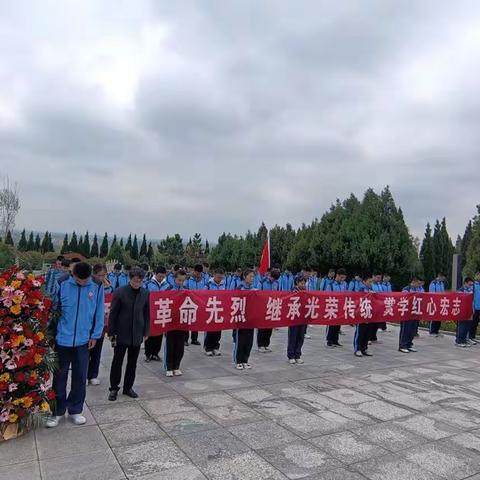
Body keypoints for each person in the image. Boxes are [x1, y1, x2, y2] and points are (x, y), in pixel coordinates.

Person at [46, 262, 104, 428]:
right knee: (59, 377)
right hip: (62, 339)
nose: (83, 284)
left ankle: (75, 410)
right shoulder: (62, 283)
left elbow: (99, 312)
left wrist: (95, 335)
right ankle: (56, 411)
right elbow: (53, 309)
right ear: (73, 275)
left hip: (84, 340)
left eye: (86, 281)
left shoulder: (97, 285)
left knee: (80, 377)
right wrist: (51, 334)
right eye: (80, 281)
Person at [108, 267, 150, 401]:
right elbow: (113, 314)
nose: (137, 283)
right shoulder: (120, 292)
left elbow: (147, 313)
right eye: (135, 280)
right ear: (130, 279)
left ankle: (128, 387)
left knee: (133, 363)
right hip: (121, 333)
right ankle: (114, 388)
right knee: (117, 361)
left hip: (137, 333)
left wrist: (146, 331)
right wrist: (111, 333)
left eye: (140, 281)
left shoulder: (145, 293)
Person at [87, 264, 111, 386]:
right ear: (93, 274)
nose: (102, 277)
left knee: (97, 352)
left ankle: (93, 375)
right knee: (86, 353)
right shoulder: (88, 284)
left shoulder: (105, 285)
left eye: (104, 275)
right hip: (87, 324)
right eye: (100, 275)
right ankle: (85, 375)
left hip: (100, 322)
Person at [164, 269, 187, 377]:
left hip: (182, 322)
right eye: (179, 280)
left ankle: (177, 366)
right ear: (174, 279)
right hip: (170, 322)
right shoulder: (169, 289)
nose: (180, 282)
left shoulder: (187, 290)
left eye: (182, 280)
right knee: (170, 345)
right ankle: (169, 367)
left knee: (180, 346)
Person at [144, 266, 169, 362]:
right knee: (150, 333)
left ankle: (155, 353)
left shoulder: (167, 285)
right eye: (159, 276)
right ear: (155, 274)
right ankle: (148, 353)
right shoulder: (148, 284)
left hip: (162, 311)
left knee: (159, 333)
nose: (161, 278)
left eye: (163, 277)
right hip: (150, 311)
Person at [233, 269, 255, 369]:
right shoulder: (240, 287)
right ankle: (238, 361)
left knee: (249, 340)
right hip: (241, 318)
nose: (252, 278)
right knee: (241, 340)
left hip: (250, 318)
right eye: (250, 276)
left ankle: (245, 360)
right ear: (245, 276)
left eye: (253, 276)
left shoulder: (253, 289)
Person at [257, 268, 281, 352]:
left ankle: (266, 344)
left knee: (269, 327)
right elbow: (258, 294)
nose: (273, 280)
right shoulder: (262, 282)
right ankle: (260, 345)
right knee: (262, 327)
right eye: (272, 278)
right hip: (263, 307)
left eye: (275, 279)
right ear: (270, 275)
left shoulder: (276, 283)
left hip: (272, 307)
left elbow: (278, 294)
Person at [204, 268, 227, 356]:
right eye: (218, 277)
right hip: (210, 308)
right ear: (214, 275)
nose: (219, 279)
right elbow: (204, 295)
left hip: (220, 309)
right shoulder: (208, 284)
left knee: (218, 330)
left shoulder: (224, 283)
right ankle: (208, 347)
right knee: (210, 329)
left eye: (221, 277)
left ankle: (216, 347)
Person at [184, 264, 207, 345]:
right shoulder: (188, 278)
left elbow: (206, 289)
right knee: (187, 321)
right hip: (189, 302)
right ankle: (185, 339)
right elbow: (184, 288)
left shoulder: (204, 279)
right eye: (197, 273)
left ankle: (194, 339)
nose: (198, 275)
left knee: (196, 321)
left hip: (199, 303)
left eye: (199, 273)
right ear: (194, 271)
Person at [287, 274, 308, 364]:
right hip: (294, 317)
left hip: (303, 318)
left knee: (300, 337)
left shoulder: (306, 292)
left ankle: (298, 354)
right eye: (301, 283)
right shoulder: (293, 291)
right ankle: (291, 355)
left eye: (304, 283)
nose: (303, 285)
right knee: (293, 337)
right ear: (297, 283)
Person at [398, 276, 421, 353]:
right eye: (418, 283)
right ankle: (402, 345)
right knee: (405, 329)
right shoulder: (406, 289)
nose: (419, 285)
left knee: (412, 330)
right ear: (414, 281)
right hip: (406, 312)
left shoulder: (417, 290)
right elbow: (403, 300)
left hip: (414, 312)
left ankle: (409, 344)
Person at [325, 268, 347, 347]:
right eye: (341, 277)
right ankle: (329, 340)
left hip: (340, 306)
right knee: (331, 324)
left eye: (343, 278)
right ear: (337, 275)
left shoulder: (344, 284)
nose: (342, 279)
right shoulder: (330, 285)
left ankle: (335, 340)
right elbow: (327, 296)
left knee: (338, 324)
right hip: (332, 306)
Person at [353, 275, 374, 357]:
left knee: (367, 332)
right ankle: (357, 349)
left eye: (371, 282)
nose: (371, 283)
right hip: (361, 314)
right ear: (364, 282)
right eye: (369, 281)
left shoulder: (371, 290)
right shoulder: (361, 290)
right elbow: (357, 301)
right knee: (360, 332)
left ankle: (364, 348)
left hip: (369, 314)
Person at [455, 277, 474, 347]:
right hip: (462, 311)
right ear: (465, 283)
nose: (471, 286)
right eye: (469, 284)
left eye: (472, 285)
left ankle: (464, 340)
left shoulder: (470, 290)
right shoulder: (460, 291)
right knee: (461, 326)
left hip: (469, 311)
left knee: (467, 326)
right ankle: (458, 341)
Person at [369, 272, 384, 341]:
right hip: (371, 305)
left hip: (378, 305)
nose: (379, 279)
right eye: (377, 277)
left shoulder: (379, 285)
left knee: (376, 322)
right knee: (370, 323)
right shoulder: (370, 284)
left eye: (380, 278)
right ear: (373, 276)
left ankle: (373, 337)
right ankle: (369, 337)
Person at [470, 271, 480, 343]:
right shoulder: (472, 286)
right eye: (479, 275)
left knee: (476, 323)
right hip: (474, 308)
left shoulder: (479, 285)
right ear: (476, 276)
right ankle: (470, 337)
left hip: (479, 307)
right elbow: (471, 297)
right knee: (472, 323)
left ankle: (473, 336)